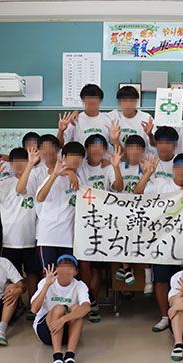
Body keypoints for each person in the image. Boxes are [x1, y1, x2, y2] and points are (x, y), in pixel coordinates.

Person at [135, 152, 183, 332]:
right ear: (173, 168)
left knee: (182, 281)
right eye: (178, 166)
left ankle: (179, 313)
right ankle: (165, 316)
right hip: (160, 243)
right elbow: (137, 194)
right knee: (161, 282)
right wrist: (147, 174)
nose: (181, 171)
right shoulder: (160, 184)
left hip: (182, 245)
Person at [0, 147, 40, 305]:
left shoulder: (36, 180)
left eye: (23, 161)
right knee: (13, 277)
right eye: (15, 162)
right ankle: (16, 305)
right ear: (11, 164)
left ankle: (32, 306)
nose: (19, 165)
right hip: (10, 240)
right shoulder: (4, 183)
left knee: (32, 274)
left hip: (31, 238)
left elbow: (22, 189)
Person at [77, 134, 123, 323]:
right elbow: (67, 170)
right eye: (92, 146)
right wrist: (70, 173)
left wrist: (116, 166)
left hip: (104, 222)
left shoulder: (108, 166)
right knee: (84, 264)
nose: (96, 150)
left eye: (100, 147)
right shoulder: (80, 166)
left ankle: (92, 302)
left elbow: (118, 188)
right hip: (82, 221)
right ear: (86, 149)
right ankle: (87, 301)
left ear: (105, 149)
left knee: (96, 268)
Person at [30, 255, 91, 363]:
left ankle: (70, 356)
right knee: (59, 308)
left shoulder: (79, 285)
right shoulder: (45, 282)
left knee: (76, 309)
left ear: (76, 272)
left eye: (70, 269)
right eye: (62, 268)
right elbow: (34, 309)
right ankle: (57, 357)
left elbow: (86, 307)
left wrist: (63, 319)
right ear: (57, 269)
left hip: (67, 331)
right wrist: (47, 285)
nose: (65, 272)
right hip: (46, 330)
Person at [35, 141, 84, 272]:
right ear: (64, 157)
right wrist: (56, 174)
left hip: (69, 238)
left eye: (79, 156)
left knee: (68, 275)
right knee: (50, 275)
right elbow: (40, 198)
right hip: (48, 237)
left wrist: (70, 173)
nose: (75, 159)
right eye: (72, 155)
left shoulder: (79, 180)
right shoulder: (53, 177)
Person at [113, 135, 154, 293]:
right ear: (126, 150)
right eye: (131, 148)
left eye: (138, 148)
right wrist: (115, 167)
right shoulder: (118, 165)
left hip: (143, 213)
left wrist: (147, 173)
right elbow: (117, 188)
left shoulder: (148, 166)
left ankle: (146, 277)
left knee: (147, 241)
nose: (135, 151)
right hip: (122, 213)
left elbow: (144, 192)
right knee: (118, 231)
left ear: (143, 151)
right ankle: (125, 267)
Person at [108, 85, 155, 154]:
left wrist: (150, 134)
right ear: (119, 102)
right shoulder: (112, 117)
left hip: (142, 158)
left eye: (131, 101)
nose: (128, 104)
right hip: (119, 158)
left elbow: (155, 144)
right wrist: (115, 139)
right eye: (124, 101)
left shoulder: (146, 118)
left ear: (136, 101)